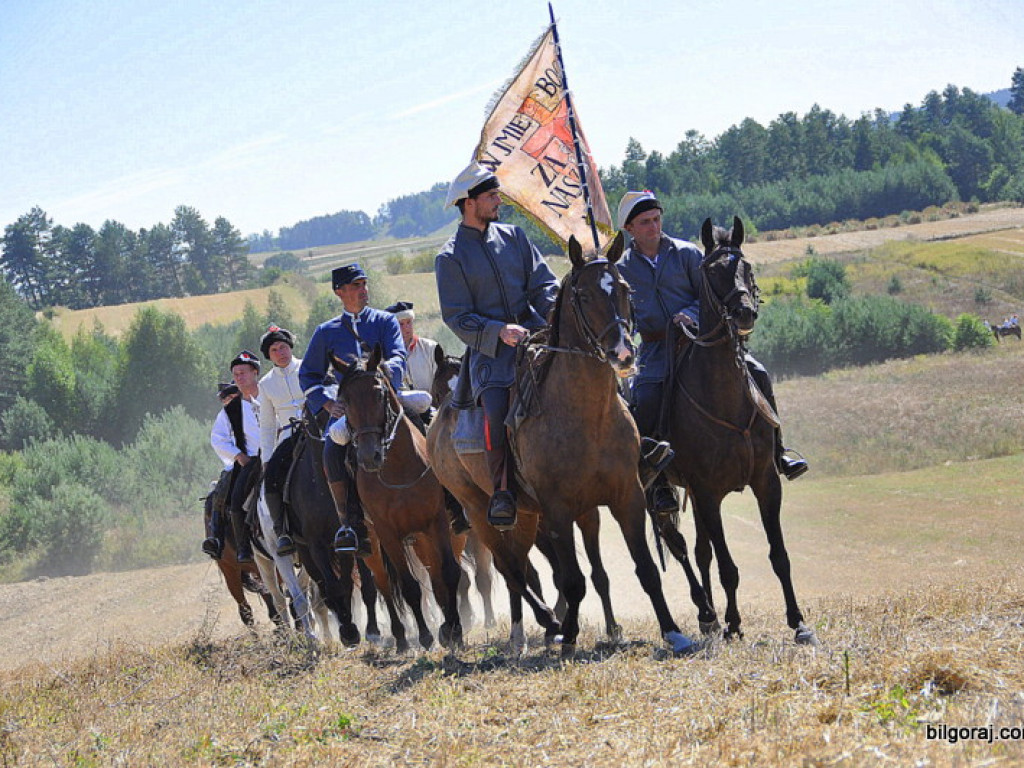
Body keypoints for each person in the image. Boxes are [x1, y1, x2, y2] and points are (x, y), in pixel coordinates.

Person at [616, 190, 808, 516]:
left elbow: (709, 295)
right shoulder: (622, 268)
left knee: (757, 372)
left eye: (657, 219)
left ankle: (778, 451)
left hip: (701, 339)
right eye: (645, 222)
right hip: (656, 348)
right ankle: (658, 479)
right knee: (645, 397)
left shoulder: (688, 254)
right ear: (630, 229)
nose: (654, 226)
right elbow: (621, 314)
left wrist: (689, 311)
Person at [434, 161, 559, 529]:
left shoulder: (515, 237)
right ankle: (503, 490)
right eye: (491, 196)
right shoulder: (449, 257)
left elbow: (543, 283)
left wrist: (554, 313)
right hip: (493, 355)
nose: (498, 201)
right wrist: (498, 330)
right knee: (495, 412)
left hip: (539, 337)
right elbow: (457, 316)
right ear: (469, 203)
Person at [299, 263, 406, 556]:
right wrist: (327, 402)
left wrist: (383, 376)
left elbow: (398, 356)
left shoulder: (385, 321)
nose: (363, 290)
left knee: (429, 417)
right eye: (356, 286)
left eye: (364, 284)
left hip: (386, 396)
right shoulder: (326, 333)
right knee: (333, 446)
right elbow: (308, 375)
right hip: (350, 409)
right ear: (340, 292)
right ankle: (349, 523)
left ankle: (452, 502)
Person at [385, 300, 471, 534]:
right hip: (400, 414)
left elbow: (442, 381)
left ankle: (459, 505)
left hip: (434, 410)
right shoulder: (384, 355)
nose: (406, 328)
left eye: (408, 322)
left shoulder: (430, 348)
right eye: (400, 324)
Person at [204, 350, 262, 563]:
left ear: (255, 372)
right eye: (235, 374)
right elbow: (218, 439)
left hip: (280, 455)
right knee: (233, 499)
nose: (239, 377)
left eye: (243, 372)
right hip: (251, 461)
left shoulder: (271, 394)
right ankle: (241, 546)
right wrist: (239, 456)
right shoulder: (230, 411)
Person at [256, 325, 303, 556]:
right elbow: (266, 425)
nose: (280, 352)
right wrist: (266, 458)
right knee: (272, 478)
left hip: (318, 429)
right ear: (269, 355)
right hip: (288, 436)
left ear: (290, 347)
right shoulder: (265, 384)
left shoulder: (308, 367)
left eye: (283, 346)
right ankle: (283, 530)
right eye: (274, 349)